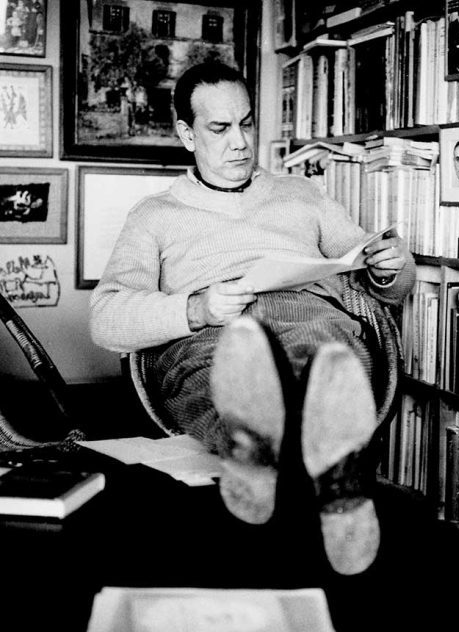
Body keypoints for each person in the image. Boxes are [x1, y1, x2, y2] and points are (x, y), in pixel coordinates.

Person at [90, 61, 416, 576]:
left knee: (321, 350)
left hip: (305, 310)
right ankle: (322, 472)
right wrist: (195, 309)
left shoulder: (302, 194)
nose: (240, 143)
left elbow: (375, 269)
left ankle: (274, 457)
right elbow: (106, 317)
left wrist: (389, 266)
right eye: (220, 128)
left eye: (246, 123)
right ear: (187, 135)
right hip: (213, 331)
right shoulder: (154, 215)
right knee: (225, 373)